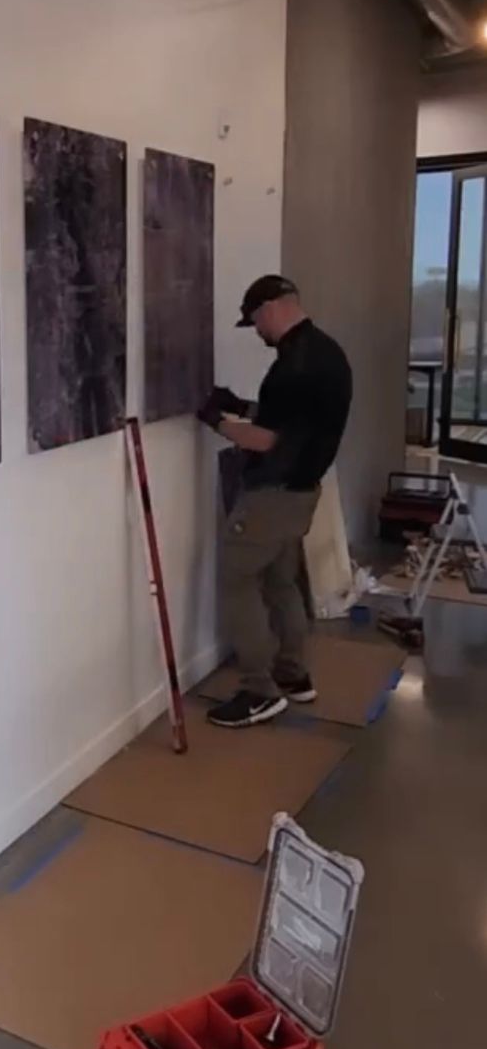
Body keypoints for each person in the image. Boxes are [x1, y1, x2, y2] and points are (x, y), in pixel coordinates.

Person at [199, 275, 352, 729]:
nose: (258, 333)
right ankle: (293, 674)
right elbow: (295, 421)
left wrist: (216, 421)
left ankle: (258, 690)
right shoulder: (324, 352)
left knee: (235, 577)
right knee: (281, 582)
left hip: (273, 496)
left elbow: (267, 440)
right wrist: (240, 406)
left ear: (270, 308)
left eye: (254, 322)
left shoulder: (293, 365)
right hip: (303, 493)